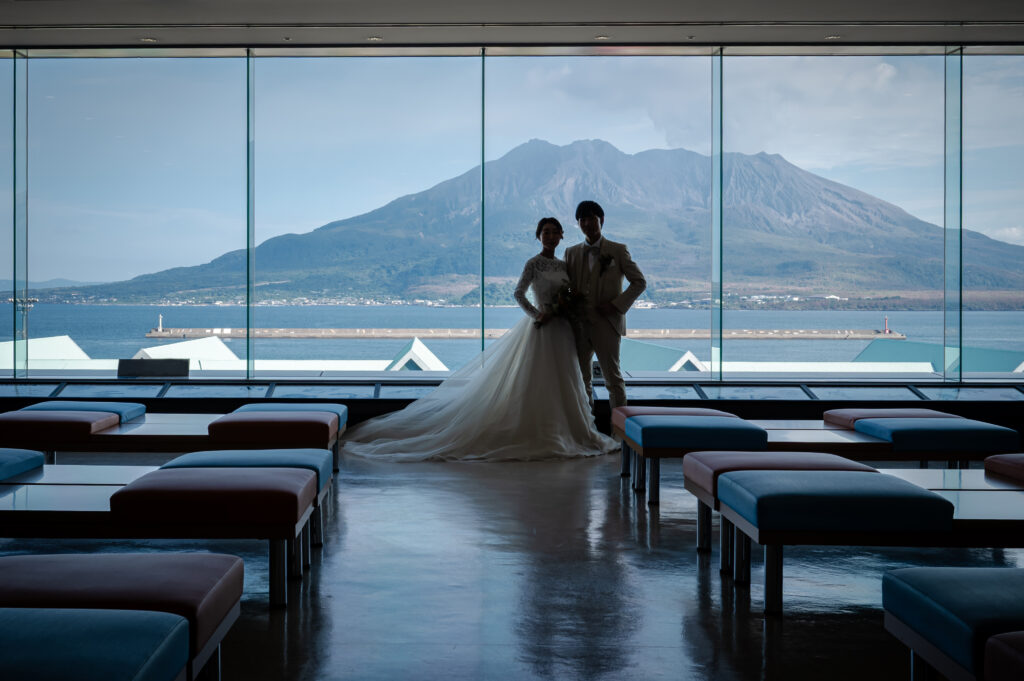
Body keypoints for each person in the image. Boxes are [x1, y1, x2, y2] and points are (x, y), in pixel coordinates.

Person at [342, 217, 617, 462]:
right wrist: (538, 315)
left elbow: (570, 292)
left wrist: (565, 308)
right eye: (544, 232)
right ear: (538, 236)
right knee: (538, 382)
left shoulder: (564, 264)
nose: (549, 236)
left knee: (564, 383)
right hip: (542, 331)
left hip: (563, 332)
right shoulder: (533, 263)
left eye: (554, 232)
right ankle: (538, 432)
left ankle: (566, 430)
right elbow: (519, 293)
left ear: (560, 237)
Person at [564, 200, 646, 409]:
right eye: (582, 219)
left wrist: (616, 305)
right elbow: (568, 286)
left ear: (601, 220)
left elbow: (639, 282)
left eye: (591, 218)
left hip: (608, 324)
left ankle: (619, 434)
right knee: (581, 380)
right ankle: (587, 430)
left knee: (613, 379)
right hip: (579, 326)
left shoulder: (618, 250)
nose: (587, 223)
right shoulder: (570, 253)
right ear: (578, 224)